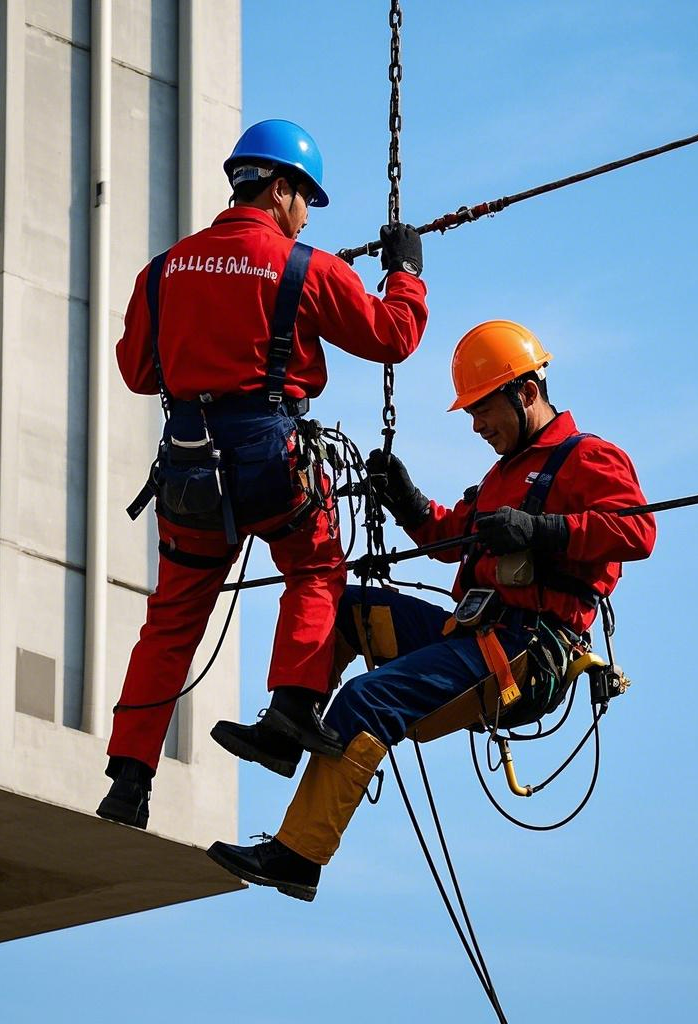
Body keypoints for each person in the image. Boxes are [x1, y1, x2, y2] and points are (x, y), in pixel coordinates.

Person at [206, 319, 656, 900]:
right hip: (472, 635)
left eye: (482, 409)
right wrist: (406, 499)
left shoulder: (587, 457)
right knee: (341, 607)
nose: (476, 425)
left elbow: (638, 531)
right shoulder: (502, 475)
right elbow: (450, 538)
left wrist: (541, 529)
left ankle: (297, 858)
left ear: (526, 392)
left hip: (524, 652)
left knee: (367, 700)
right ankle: (288, 727)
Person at [97, 119, 428, 830]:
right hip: (273, 463)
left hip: (191, 468)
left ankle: (128, 780)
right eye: (305, 200)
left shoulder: (162, 272)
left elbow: (137, 372)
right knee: (316, 568)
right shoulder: (307, 268)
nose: (306, 216)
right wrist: (406, 275)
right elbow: (392, 335)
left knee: (171, 623)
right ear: (279, 189)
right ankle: (291, 710)